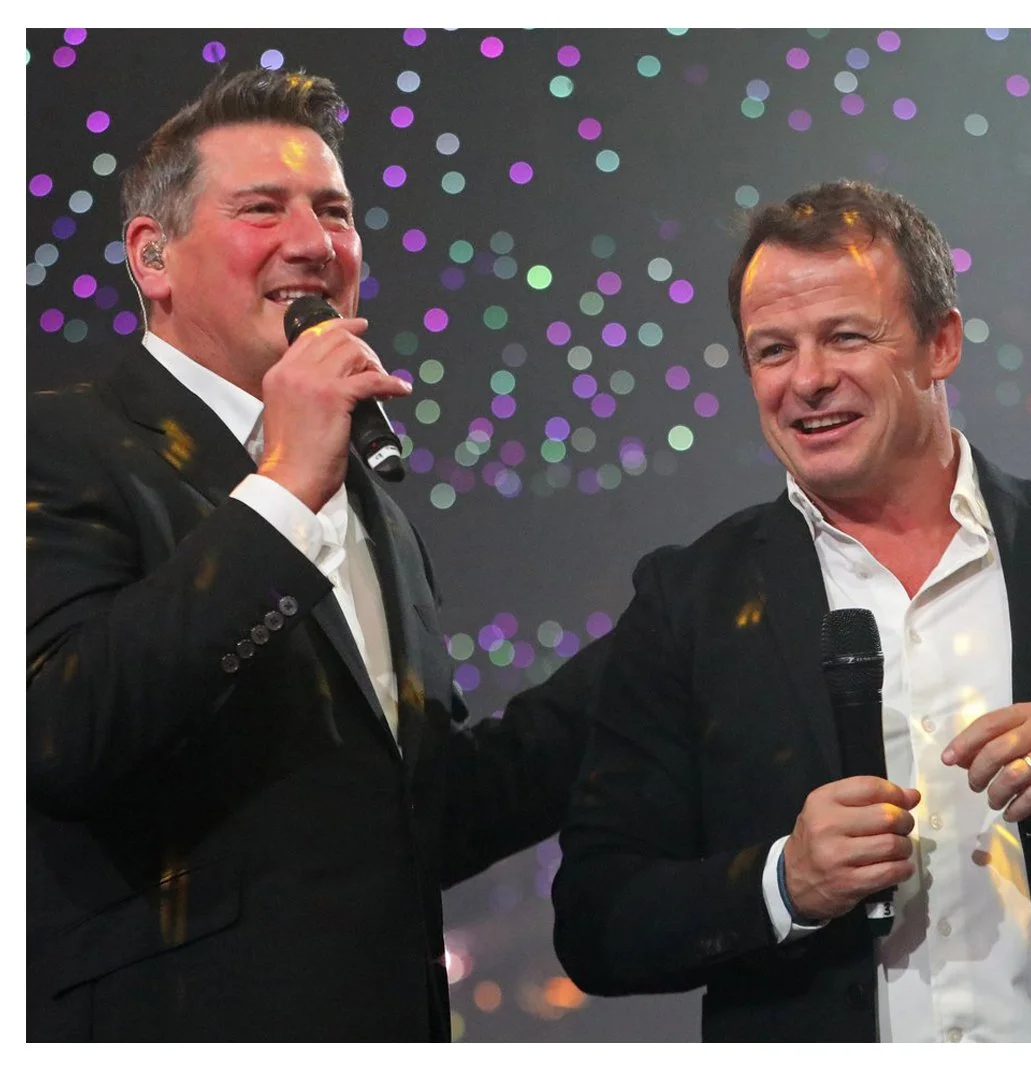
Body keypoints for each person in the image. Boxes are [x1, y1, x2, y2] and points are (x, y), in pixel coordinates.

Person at [26, 67, 602, 1041]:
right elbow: (58, 733)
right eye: (263, 209)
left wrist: (658, 653)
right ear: (153, 258)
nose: (314, 243)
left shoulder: (369, 503)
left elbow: (420, 814)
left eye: (334, 212)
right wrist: (287, 488)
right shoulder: (55, 444)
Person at [551, 180, 1031, 1042]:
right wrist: (783, 883)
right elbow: (597, 920)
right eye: (773, 350)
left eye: (846, 336)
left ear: (941, 343)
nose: (807, 380)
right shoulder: (688, 604)